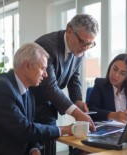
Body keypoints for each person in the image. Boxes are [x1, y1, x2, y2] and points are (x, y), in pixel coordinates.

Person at [30, 14, 99, 155]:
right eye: (82, 42)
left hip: (50, 108)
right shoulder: (46, 46)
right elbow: (50, 87)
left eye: (89, 44)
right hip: (31, 106)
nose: (85, 48)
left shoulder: (80, 49)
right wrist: (77, 113)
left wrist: (77, 100)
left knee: (49, 149)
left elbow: (74, 77)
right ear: (69, 31)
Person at [0, 43, 73, 155]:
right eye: (43, 68)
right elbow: (24, 129)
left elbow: (31, 125)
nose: (46, 75)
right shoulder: (1, 87)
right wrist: (65, 130)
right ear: (28, 66)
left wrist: (34, 149)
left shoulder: (29, 92)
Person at [87, 53, 127, 123]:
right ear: (111, 66)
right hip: (107, 131)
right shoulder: (100, 84)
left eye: (122, 73)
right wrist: (112, 115)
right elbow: (91, 110)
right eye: (115, 69)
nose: (116, 75)